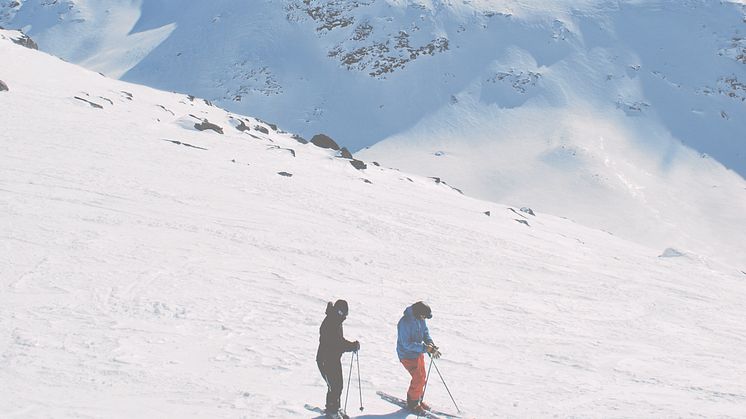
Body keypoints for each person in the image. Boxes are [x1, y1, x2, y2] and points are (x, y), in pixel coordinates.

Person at [317, 300, 360, 419]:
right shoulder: (330, 322)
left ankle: (335, 408)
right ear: (339, 312)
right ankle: (331, 410)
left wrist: (351, 345)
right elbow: (336, 343)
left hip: (334, 359)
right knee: (333, 386)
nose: (345, 316)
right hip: (325, 360)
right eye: (344, 313)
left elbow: (339, 341)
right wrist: (352, 346)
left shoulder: (336, 321)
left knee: (338, 385)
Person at [397, 301, 441, 414]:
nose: (424, 318)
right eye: (423, 316)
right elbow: (406, 344)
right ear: (418, 313)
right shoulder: (405, 323)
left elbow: (425, 332)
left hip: (418, 352)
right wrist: (425, 348)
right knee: (418, 378)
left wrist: (430, 344)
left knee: (422, 376)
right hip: (407, 355)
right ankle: (412, 403)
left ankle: (418, 399)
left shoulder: (420, 319)